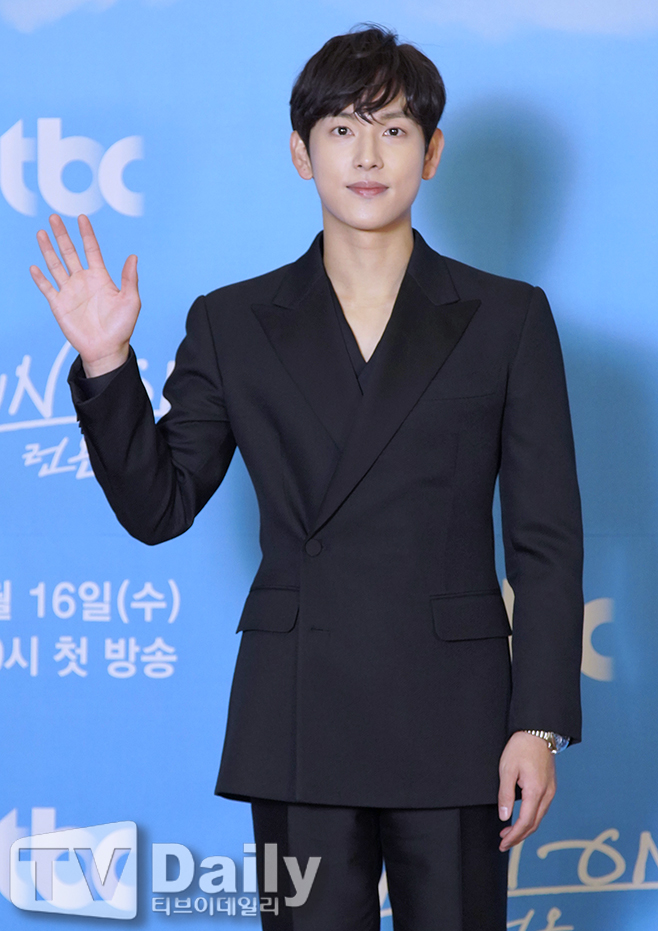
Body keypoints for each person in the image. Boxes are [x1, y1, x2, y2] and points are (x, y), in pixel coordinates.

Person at [29, 24, 584, 931]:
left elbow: (547, 540)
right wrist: (105, 362)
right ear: (301, 153)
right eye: (341, 129)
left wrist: (538, 722)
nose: (367, 155)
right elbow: (160, 505)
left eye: (394, 130)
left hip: (456, 716)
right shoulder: (234, 322)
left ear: (432, 153)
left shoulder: (507, 318)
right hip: (299, 715)